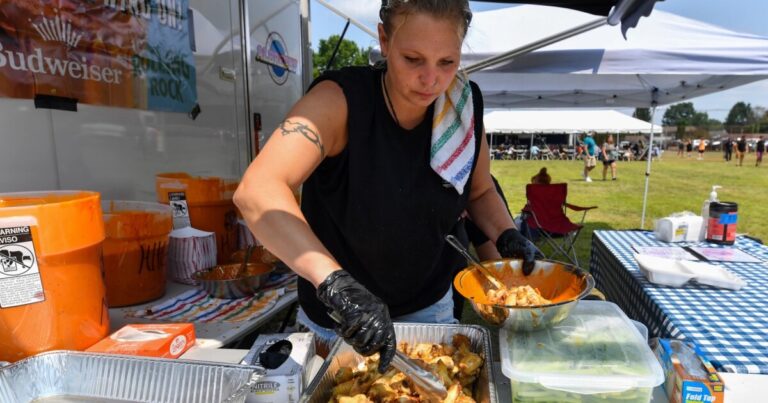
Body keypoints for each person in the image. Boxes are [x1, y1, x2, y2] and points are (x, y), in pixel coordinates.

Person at [233, 0, 537, 373]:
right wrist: (335, 285)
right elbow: (257, 190)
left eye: (447, 62)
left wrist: (506, 233)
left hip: (429, 308)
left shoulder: (462, 105)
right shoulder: (340, 101)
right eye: (413, 59)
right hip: (339, 320)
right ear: (384, 40)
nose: (431, 80)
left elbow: (480, 191)